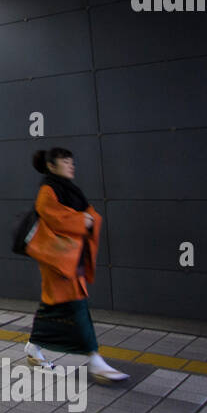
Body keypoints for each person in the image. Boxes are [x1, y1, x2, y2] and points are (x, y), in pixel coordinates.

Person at [23, 147, 129, 383]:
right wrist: (84, 220)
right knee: (77, 310)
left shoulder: (67, 190)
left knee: (53, 308)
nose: (71, 165)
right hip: (59, 263)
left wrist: (87, 218)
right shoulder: (47, 191)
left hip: (70, 260)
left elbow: (83, 214)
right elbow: (57, 218)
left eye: (72, 161)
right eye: (65, 161)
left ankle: (33, 347)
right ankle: (95, 360)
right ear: (51, 166)